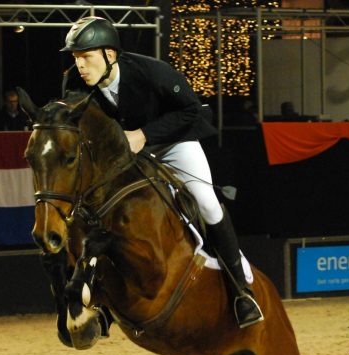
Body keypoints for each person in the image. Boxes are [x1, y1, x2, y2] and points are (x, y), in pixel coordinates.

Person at [60, 16, 263, 329]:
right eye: (76, 58)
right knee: (100, 208)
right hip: (124, 155)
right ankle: (101, 298)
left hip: (173, 142)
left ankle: (241, 291)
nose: (80, 65)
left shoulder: (151, 72)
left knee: (206, 201)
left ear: (109, 55)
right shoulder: (73, 83)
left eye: (86, 57)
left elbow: (191, 110)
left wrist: (145, 134)